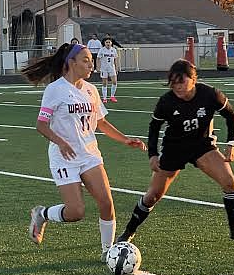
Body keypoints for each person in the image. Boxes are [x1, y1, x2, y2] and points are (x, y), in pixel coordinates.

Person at [23, 43, 146, 262]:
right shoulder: (55, 90)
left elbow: (101, 122)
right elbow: (41, 125)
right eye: (86, 60)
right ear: (71, 63)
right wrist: (60, 142)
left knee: (107, 203)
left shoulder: (91, 90)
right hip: (64, 157)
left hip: (89, 155)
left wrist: (126, 140)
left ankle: (107, 251)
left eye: (92, 60)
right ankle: (41, 214)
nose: (91, 64)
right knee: (75, 212)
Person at [116, 59, 234, 244]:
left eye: (181, 81)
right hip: (174, 148)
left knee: (229, 182)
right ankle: (128, 232)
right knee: (153, 196)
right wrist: (152, 154)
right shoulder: (166, 101)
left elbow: (230, 115)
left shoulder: (210, 94)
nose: (178, 87)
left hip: (202, 146)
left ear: (193, 79)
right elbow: (154, 127)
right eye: (174, 83)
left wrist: (231, 143)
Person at [97, 38, 119, 102]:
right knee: (104, 83)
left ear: (111, 43)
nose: (108, 43)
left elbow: (115, 59)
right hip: (104, 68)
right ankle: (104, 98)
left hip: (112, 68)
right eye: (106, 42)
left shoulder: (114, 50)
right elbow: (98, 59)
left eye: (109, 42)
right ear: (104, 43)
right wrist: (98, 67)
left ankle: (112, 96)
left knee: (114, 82)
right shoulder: (102, 50)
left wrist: (117, 67)